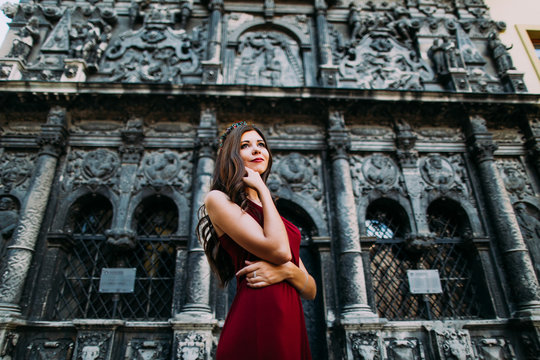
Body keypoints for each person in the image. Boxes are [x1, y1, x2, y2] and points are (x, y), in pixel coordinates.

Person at [197, 122, 315, 360]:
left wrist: (287, 273)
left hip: (289, 317)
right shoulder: (218, 200)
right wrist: (261, 188)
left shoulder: (272, 214)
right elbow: (279, 251)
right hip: (258, 313)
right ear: (231, 156)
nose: (257, 150)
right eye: (245, 145)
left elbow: (310, 289)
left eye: (261, 145)